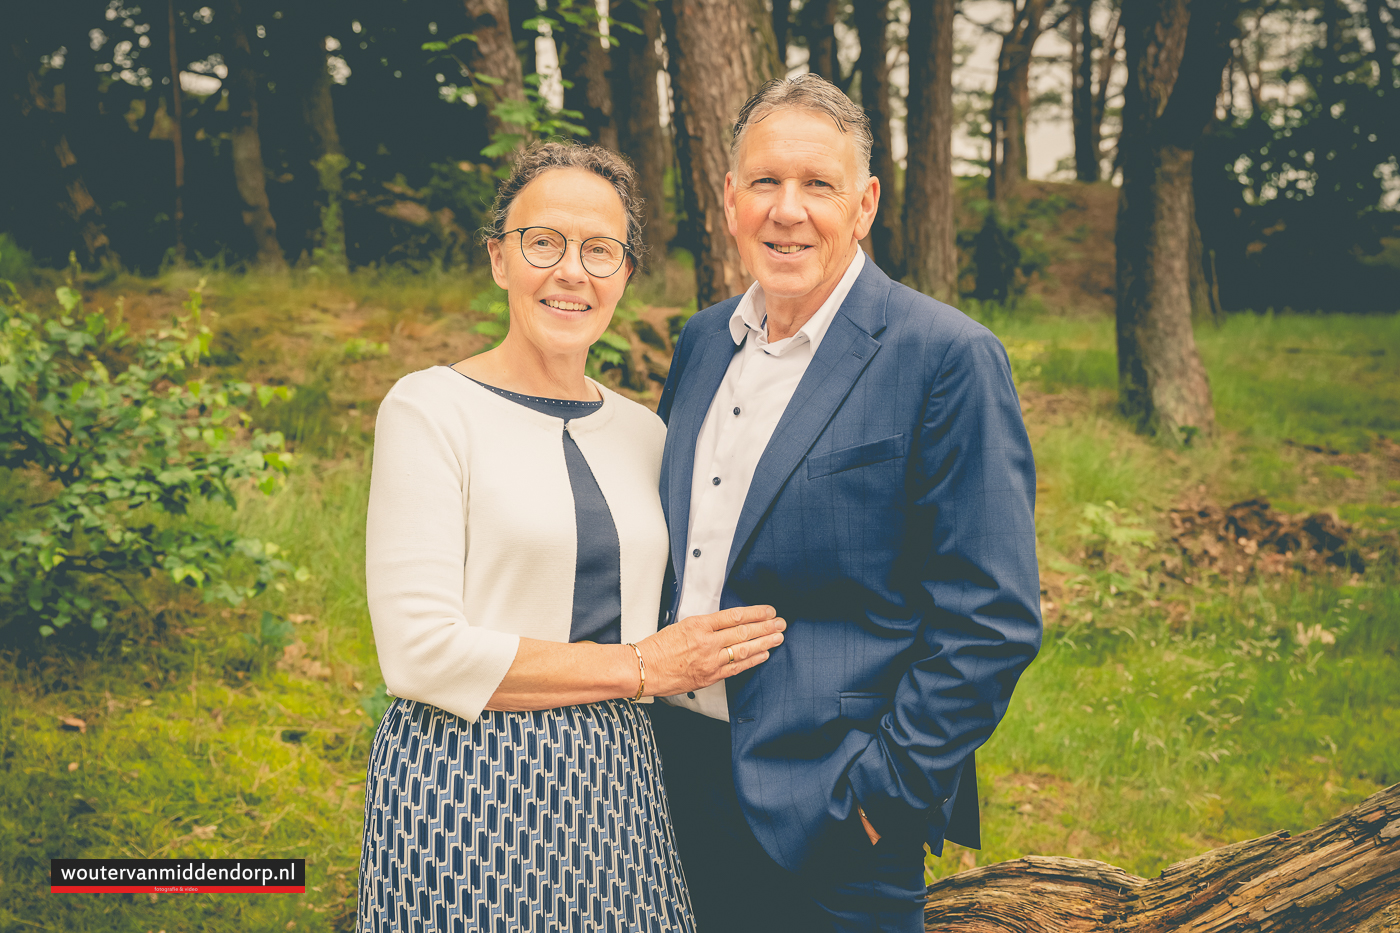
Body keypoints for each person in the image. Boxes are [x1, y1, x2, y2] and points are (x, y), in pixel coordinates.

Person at [357, 141, 787, 933]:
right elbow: (418, 650)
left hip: (621, 777)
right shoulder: (428, 410)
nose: (571, 271)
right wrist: (639, 665)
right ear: (499, 258)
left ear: (625, 273)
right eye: (543, 242)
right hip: (465, 777)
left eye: (600, 251)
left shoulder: (645, 432)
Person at [649, 74, 1043, 932]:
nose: (787, 210)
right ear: (730, 199)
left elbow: (994, 619)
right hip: (668, 791)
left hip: (831, 809)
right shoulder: (703, 342)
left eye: (817, 185)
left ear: (863, 205)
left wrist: (881, 798)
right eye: (765, 182)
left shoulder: (946, 356)